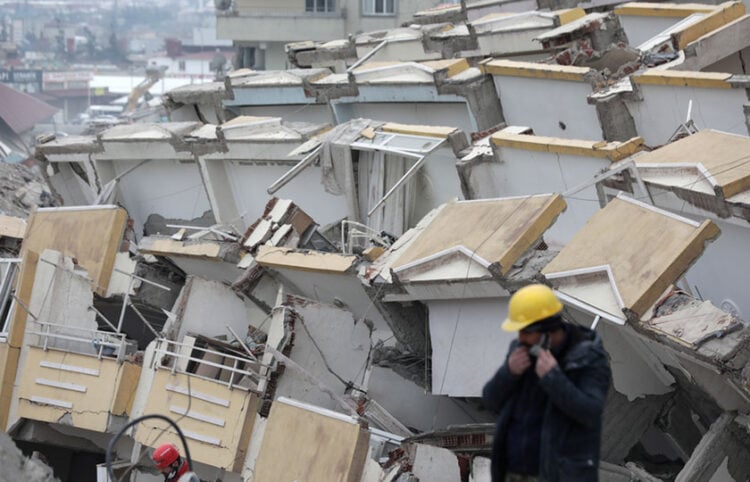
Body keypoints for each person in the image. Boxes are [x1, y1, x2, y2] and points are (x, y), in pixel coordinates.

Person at [482, 284, 611, 482]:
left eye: (526, 332)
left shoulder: (587, 357)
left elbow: (590, 412)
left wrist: (553, 378)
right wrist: (508, 373)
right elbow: (491, 401)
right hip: (513, 474)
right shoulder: (522, 349)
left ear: (547, 331)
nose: (520, 338)